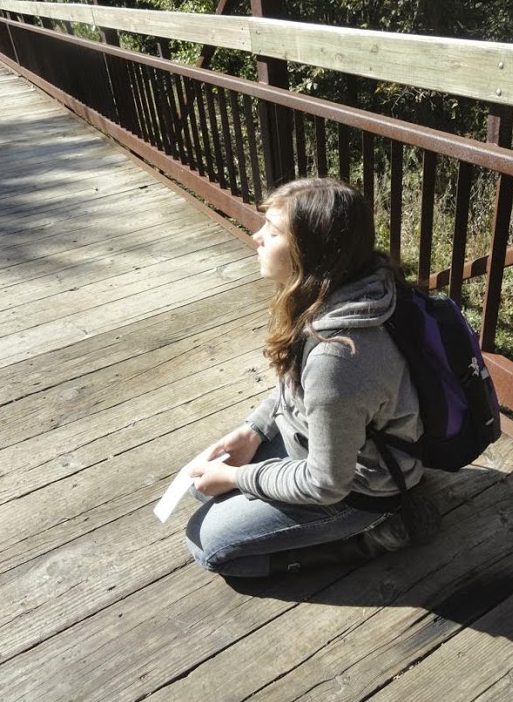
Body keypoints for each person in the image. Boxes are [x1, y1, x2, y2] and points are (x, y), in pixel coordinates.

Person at [185, 177, 440, 577]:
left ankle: (372, 538)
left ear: (312, 251)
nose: (256, 236)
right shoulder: (349, 288)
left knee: (209, 546)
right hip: (324, 442)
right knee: (198, 489)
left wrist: (237, 477)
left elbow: (326, 484)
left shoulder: (339, 355)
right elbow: (298, 387)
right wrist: (253, 430)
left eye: (272, 231)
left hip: (359, 490)